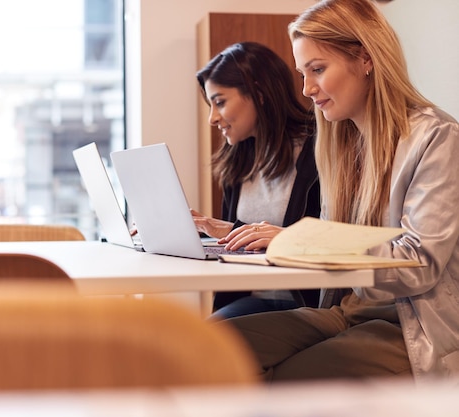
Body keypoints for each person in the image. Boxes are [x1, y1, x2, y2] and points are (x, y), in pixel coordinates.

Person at [223, 0, 459, 382]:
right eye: (303, 73)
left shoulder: (437, 138)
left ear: (365, 58)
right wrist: (278, 244)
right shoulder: (341, 143)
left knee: (284, 382)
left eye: (317, 69)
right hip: (349, 310)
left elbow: (419, 265)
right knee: (212, 345)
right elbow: (339, 248)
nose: (306, 89)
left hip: (410, 323)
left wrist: (303, 243)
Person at [194, 41, 321, 319]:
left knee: (203, 344)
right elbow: (243, 243)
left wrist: (231, 230)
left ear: (259, 93)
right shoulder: (237, 161)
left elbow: (328, 240)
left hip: (303, 302)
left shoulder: (319, 152)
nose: (212, 118)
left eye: (220, 102)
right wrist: (198, 233)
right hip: (249, 299)